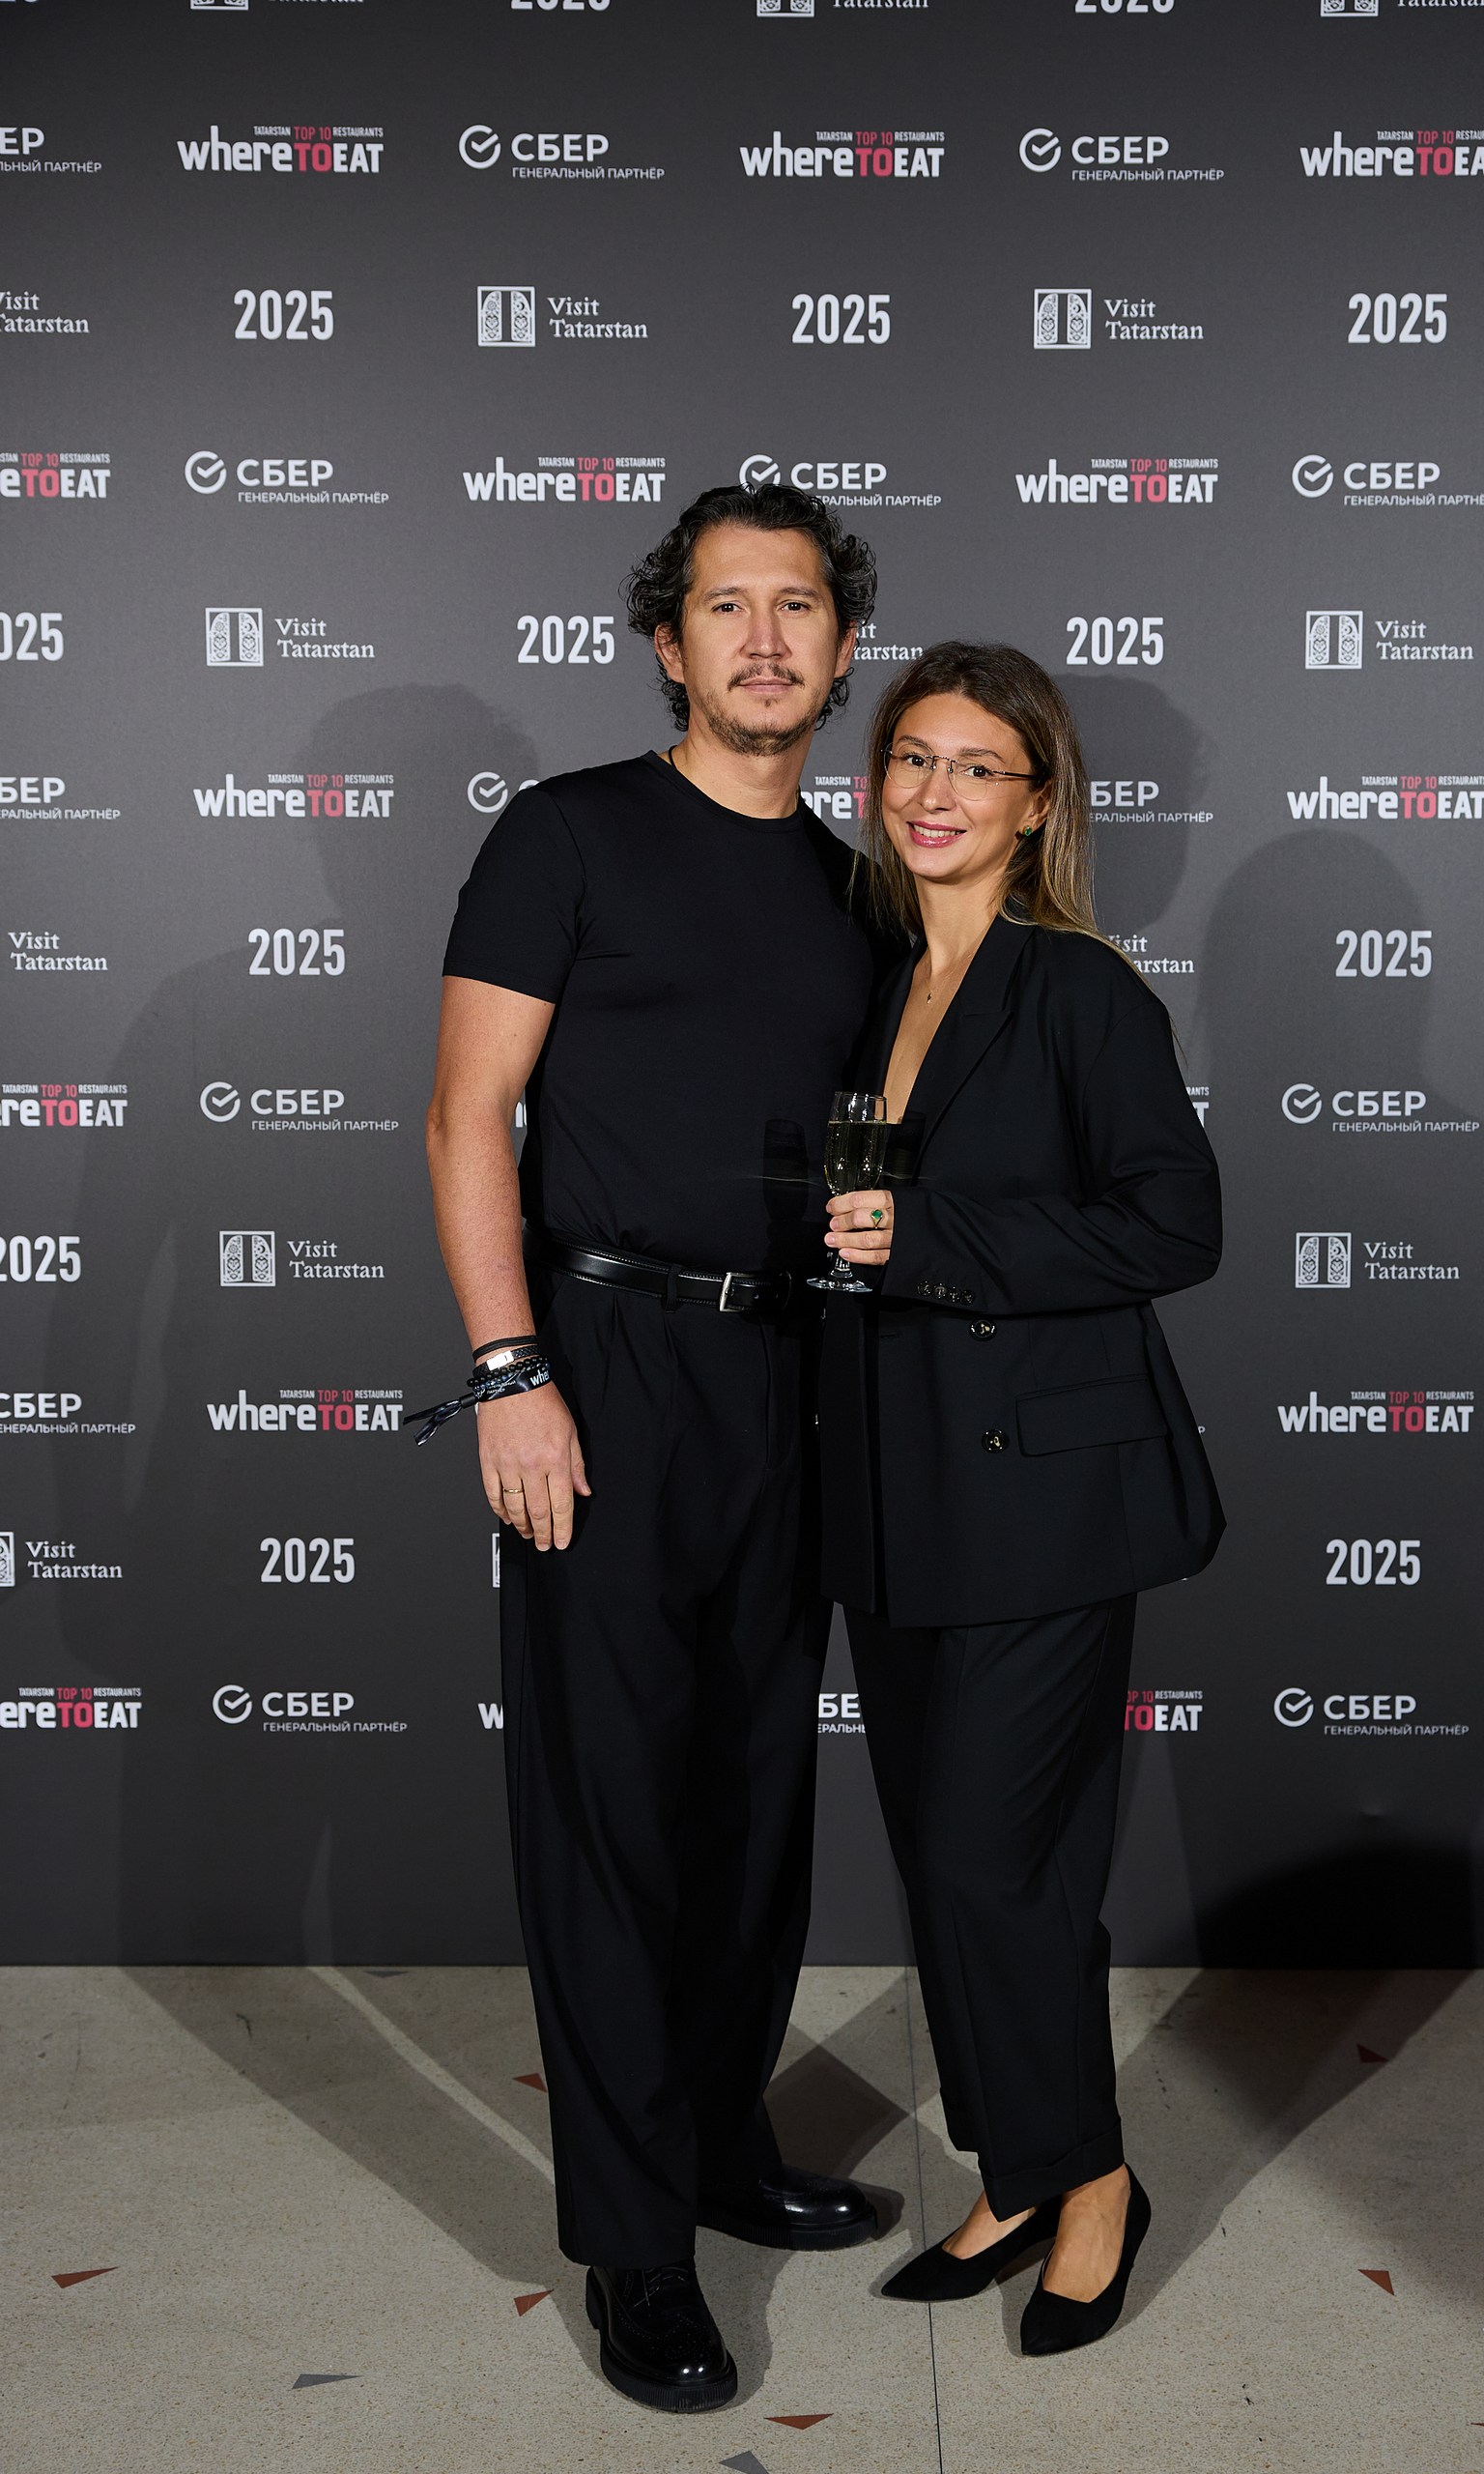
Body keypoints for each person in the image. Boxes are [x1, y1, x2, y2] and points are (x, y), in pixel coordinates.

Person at [424, 482, 888, 2415]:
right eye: (726, 605)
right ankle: (631, 2242)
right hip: (601, 1363)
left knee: (752, 1806)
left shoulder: (859, 887)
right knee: (612, 1814)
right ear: (665, 641)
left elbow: (869, 1125)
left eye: (799, 607)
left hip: (792, 1375)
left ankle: (715, 2141)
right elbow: (466, 1114)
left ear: (842, 650)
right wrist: (508, 1370)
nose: (764, 638)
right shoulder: (570, 834)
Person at [816, 642, 1223, 2358]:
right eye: (913, 757)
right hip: (895, 1490)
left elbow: (1176, 1224)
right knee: (948, 1862)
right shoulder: (872, 982)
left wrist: (937, 1238)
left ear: (1037, 800)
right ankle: (1015, 2166)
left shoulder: (1080, 992)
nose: (935, 794)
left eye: (978, 767)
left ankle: (1093, 2181)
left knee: (1003, 1866)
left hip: (1048, 1505)